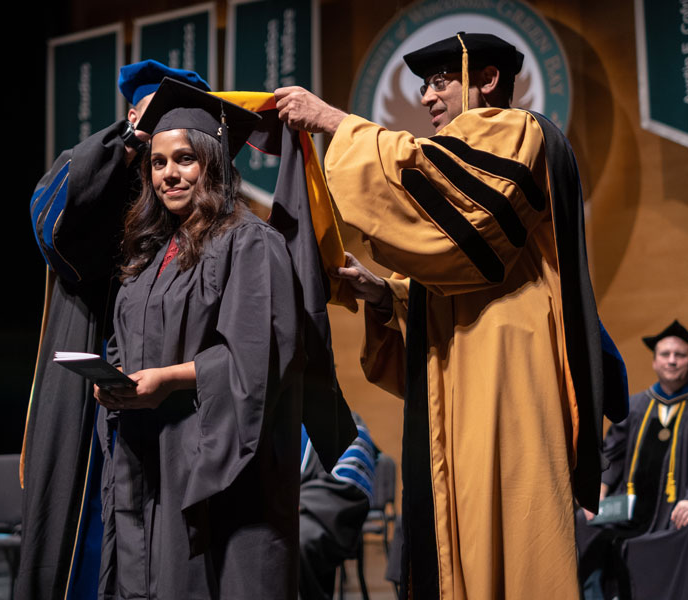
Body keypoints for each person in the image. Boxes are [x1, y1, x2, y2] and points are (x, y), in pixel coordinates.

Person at [274, 32, 628, 598]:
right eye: (424, 86)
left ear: (487, 80)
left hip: (511, 372)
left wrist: (334, 120)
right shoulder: (469, 158)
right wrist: (384, 294)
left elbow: (467, 235)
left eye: (441, 82)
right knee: (459, 528)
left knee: (513, 534)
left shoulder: (517, 132)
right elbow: (457, 280)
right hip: (466, 373)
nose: (427, 99)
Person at [93, 78, 305, 599]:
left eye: (184, 159)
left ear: (212, 161)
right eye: (159, 163)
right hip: (150, 459)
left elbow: (257, 361)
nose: (169, 174)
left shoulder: (251, 244)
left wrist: (169, 380)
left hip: (216, 467)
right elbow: (124, 344)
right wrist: (111, 383)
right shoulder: (147, 258)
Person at [16, 61, 211, 600]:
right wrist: (126, 142)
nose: (167, 164)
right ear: (131, 117)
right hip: (89, 368)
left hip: (168, 389)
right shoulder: (104, 181)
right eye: (154, 124)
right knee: (82, 517)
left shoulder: (193, 205)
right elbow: (51, 222)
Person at [580, 319, 688, 599]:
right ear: (654, 362)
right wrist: (598, 494)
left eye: (680, 355)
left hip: (674, 513)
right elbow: (611, 454)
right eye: (665, 354)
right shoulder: (637, 406)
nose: (672, 361)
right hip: (627, 508)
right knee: (581, 522)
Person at [299, 413, 377, 600]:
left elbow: (349, 481)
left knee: (292, 539)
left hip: (314, 514)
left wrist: (294, 506)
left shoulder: (340, 419)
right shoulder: (266, 418)